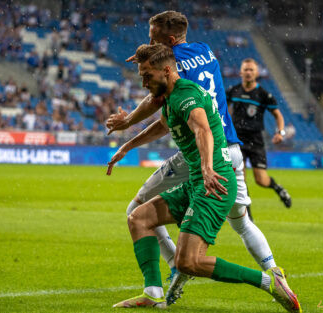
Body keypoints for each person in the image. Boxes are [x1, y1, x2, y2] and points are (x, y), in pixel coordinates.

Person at [109, 43, 301, 313]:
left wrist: (208, 167)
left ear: (166, 70)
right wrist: (127, 146)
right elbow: (164, 125)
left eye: (147, 76)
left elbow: (203, 130)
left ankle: (269, 281)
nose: (143, 83)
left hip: (215, 183)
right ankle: (153, 293)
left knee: (189, 263)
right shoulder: (172, 95)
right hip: (198, 181)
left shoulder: (186, 95)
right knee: (138, 218)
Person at [226, 58, 292, 209]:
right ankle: (247, 216)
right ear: (241, 72)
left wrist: (280, 132)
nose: (248, 73)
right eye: (246, 70)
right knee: (239, 179)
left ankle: (278, 189)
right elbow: (221, 108)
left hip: (256, 140)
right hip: (237, 140)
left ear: (257, 73)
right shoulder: (233, 91)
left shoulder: (263, 95)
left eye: (251, 70)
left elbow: (278, 115)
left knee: (261, 180)